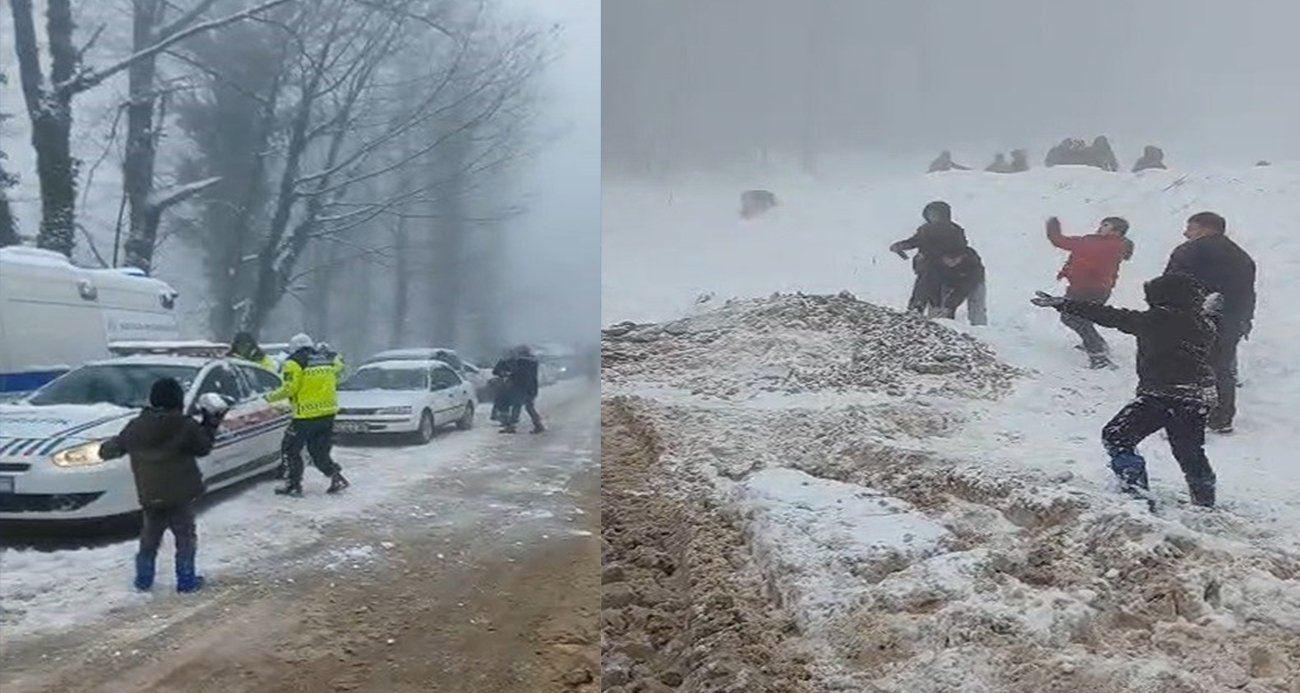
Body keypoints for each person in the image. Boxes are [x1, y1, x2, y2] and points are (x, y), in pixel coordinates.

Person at [1031, 273, 1217, 508]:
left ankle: (1136, 493)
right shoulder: (1203, 324)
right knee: (1189, 451)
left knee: (1117, 435)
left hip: (1161, 394)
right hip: (1196, 397)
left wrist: (1064, 303)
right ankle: (1204, 500)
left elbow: (1110, 316)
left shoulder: (1158, 318)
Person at [99, 378, 226, 593]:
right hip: (180, 495)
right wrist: (210, 422)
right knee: (185, 537)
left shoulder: (136, 426)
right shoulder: (185, 425)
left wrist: (106, 446)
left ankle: (143, 579)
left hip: (150, 493)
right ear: (178, 399)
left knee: (150, 537)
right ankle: (186, 580)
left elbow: (108, 450)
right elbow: (203, 447)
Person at [1164, 211, 1256, 433]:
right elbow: (1248, 293)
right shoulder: (1243, 257)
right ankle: (1221, 419)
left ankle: (1185, 418)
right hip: (1231, 319)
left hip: (1192, 318)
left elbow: (1170, 284)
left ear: (1205, 228)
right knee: (1222, 369)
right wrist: (1245, 320)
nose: (1185, 233)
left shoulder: (1188, 251)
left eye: (1190, 227)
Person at [266, 333, 349, 496]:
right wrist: (337, 357)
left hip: (305, 416)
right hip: (327, 414)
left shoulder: (293, 363)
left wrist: (269, 397)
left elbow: (290, 388)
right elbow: (338, 374)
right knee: (319, 451)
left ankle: (293, 485)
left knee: (290, 450)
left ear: (293, 347)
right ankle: (335, 476)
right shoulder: (325, 361)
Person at [1045, 216, 1134, 368]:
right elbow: (1064, 243)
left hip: (1092, 289)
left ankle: (1098, 355)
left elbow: (1063, 242)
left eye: (1106, 225)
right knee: (1078, 319)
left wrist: (1054, 231)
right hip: (1083, 288)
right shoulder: (1098, 242)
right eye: (1101, 224)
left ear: (1117, 231)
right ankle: (1097, 344)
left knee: (1074, 319)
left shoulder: (1113, 245)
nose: (1100, 227)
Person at [890, 201, 972, 319]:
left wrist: (933, 254)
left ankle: (925, 313)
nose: (933, 217)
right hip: (927, 268)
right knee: (925, 288)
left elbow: (960, 249)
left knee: (937, 297)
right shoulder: (924, 229)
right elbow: (914, 241)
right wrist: (901, 245)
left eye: (936, 214)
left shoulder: (954, 230)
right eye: (930, 214)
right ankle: (917, 311)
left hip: (946, 270)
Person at [497, 345, 544, 434]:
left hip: (521, 387)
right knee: (529, 407)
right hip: (532, 387)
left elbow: (517, 374)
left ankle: (512, 426)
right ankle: (538, 424)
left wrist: (510, 375)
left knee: (517, 406)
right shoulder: (533, 362)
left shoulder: (521, 362)